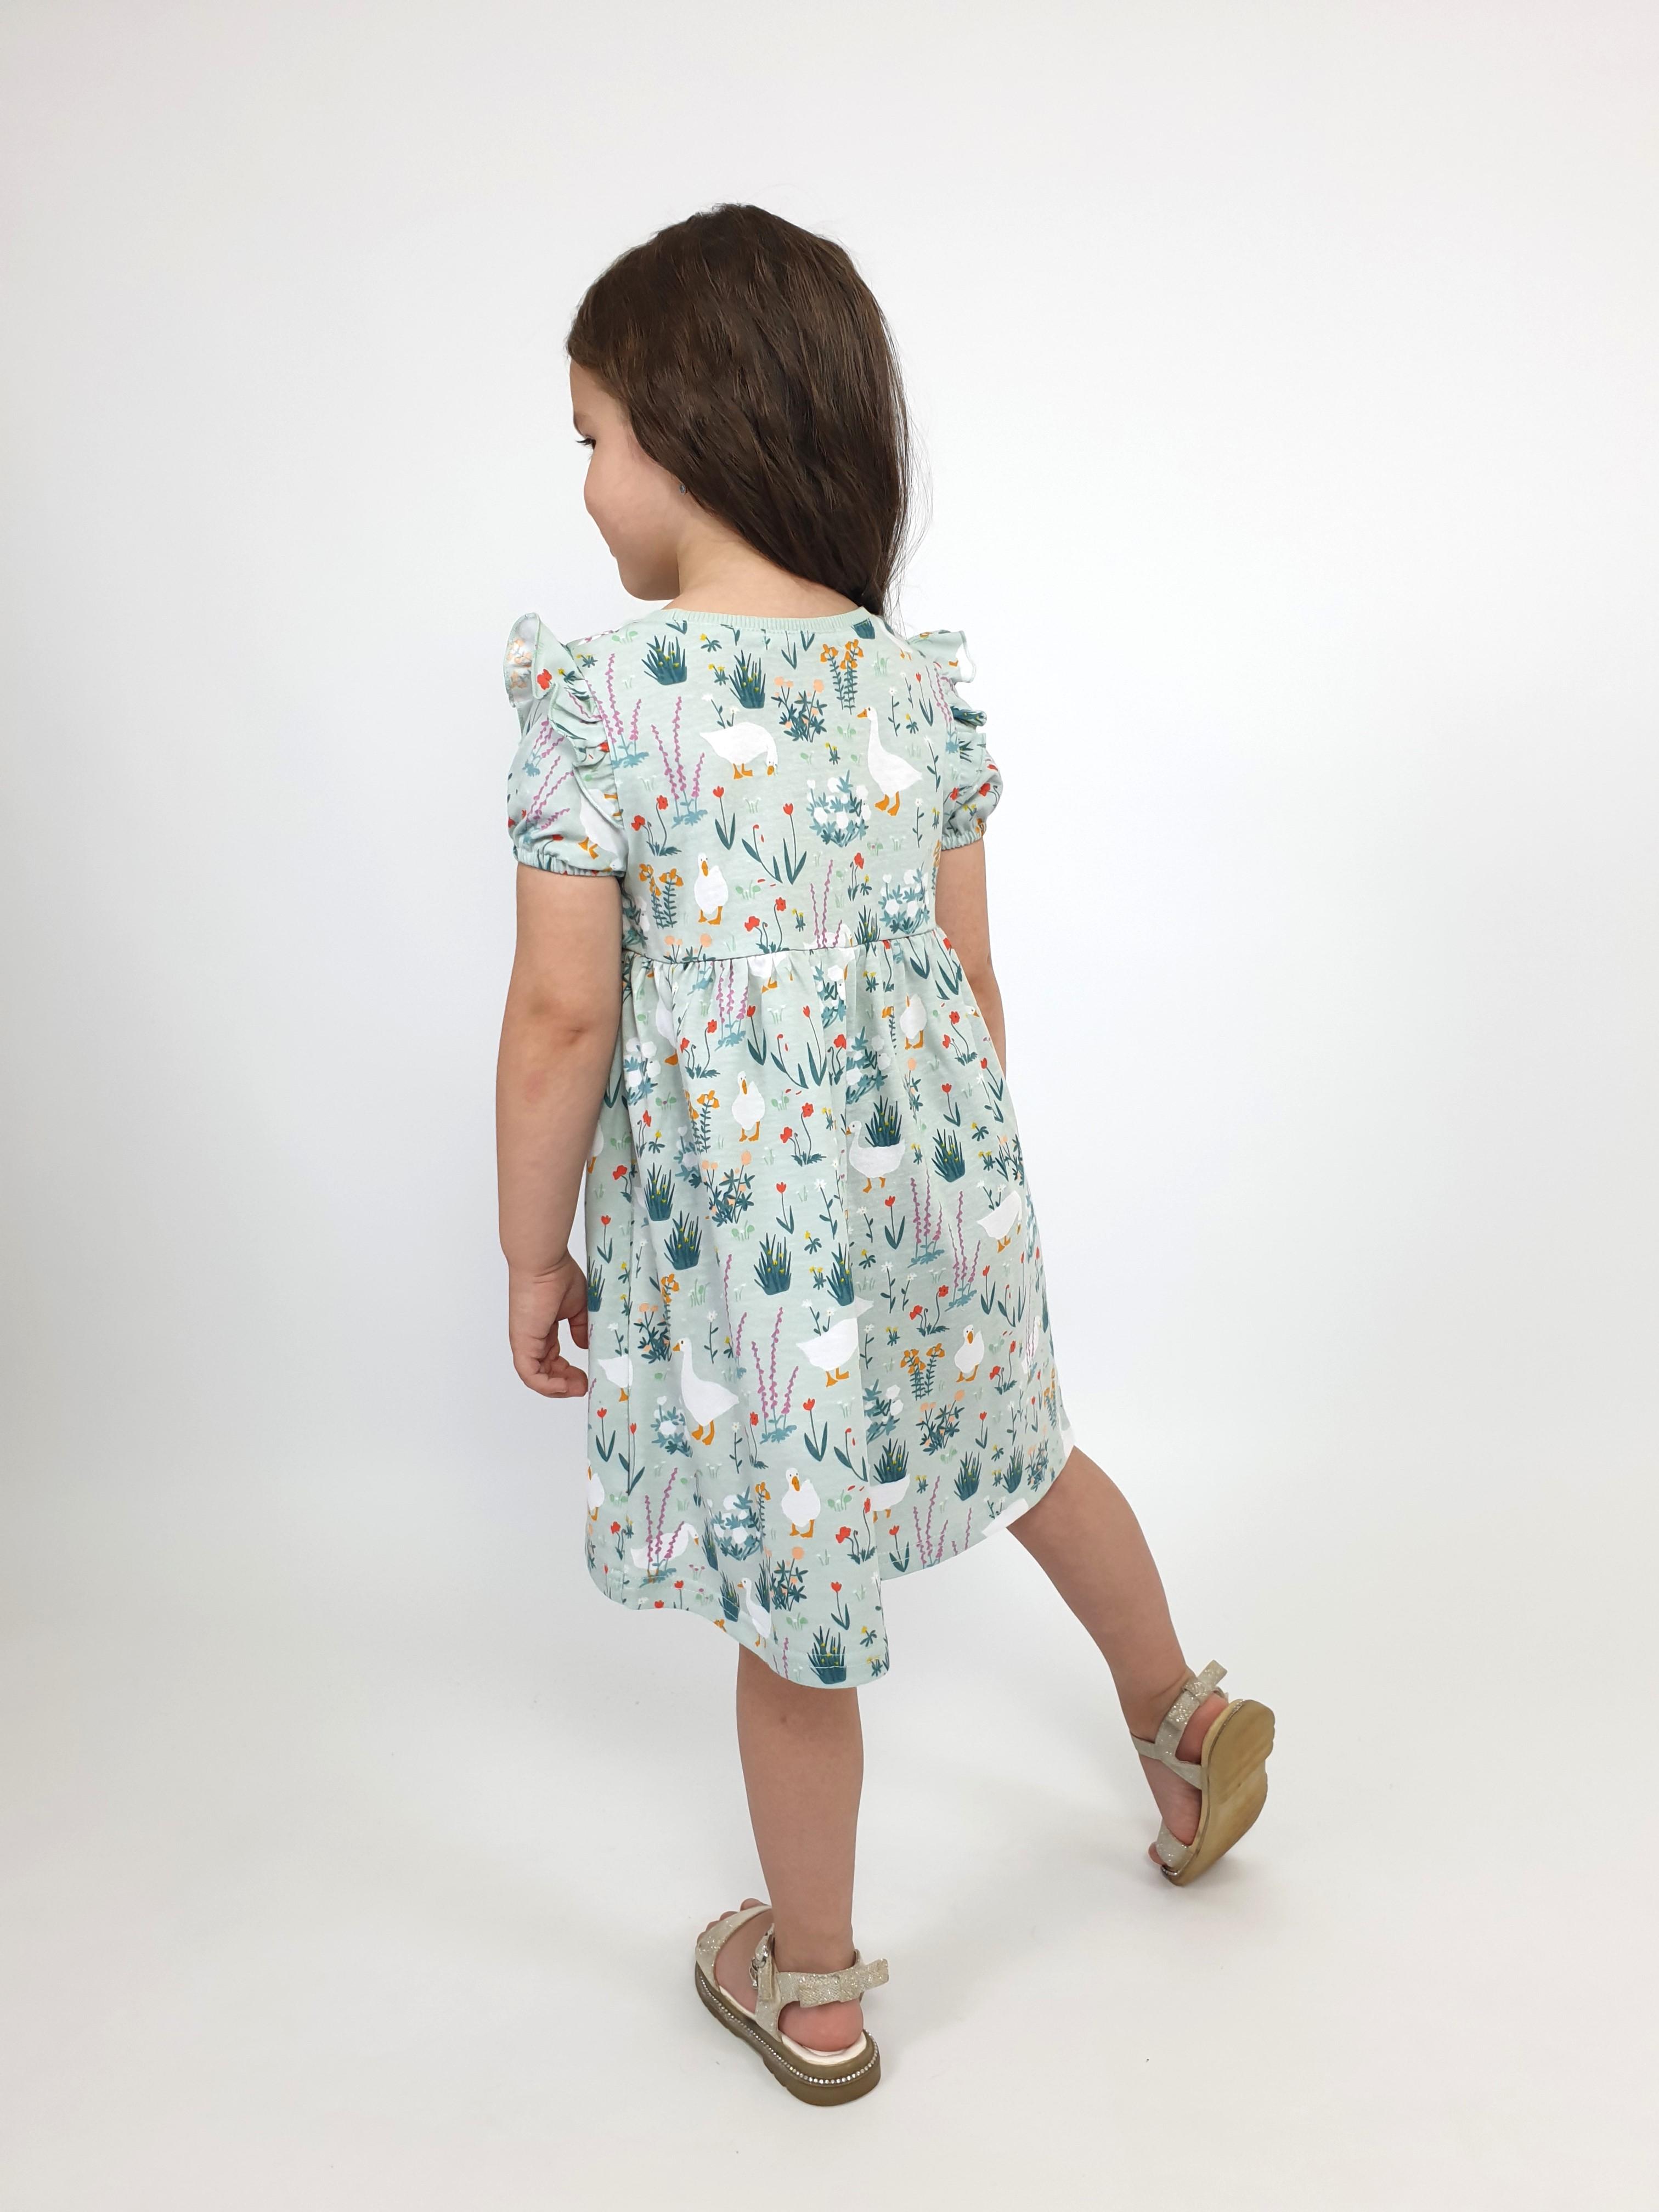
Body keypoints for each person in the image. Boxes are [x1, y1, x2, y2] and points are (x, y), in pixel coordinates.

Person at [495, 202, 1274, 2106]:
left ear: (686, 432)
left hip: (759, 1240)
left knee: (796, 1606)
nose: (584, 484)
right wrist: (958, 1207)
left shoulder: (605, 700)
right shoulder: (913, 691)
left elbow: (564, 1022)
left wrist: (533, 1253)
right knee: (1032, 1452)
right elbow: (972, 978)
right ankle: (1181, 1720)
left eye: (591, 436)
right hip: (940, 1189)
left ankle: (818, 1985)